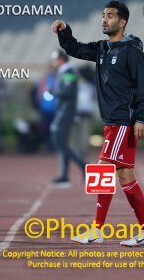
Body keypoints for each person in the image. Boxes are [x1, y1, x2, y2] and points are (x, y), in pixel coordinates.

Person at [52, 0, 144, 246]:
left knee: (102, 170)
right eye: (103, 15)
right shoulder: (102, 49)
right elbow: (75, 48)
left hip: (123, 121)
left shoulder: (132, 52)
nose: (104, 19)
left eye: (110, 16)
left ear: (122, 22)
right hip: (111, 121)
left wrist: (142, 117)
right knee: (126, 176)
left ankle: (97, 230)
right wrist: (64, 30)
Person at [49, 49, 87, 187]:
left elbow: (68, 90)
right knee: (61, 143)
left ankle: (84, 166)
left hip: (66, 111)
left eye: (55, 59)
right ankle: (65, 174)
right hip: (64, 111)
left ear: (61, 59)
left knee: (60, 141)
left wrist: (53, 91)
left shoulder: (69, 71)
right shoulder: (65, 71)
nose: (53, 62)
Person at [71, 64, 96, 159]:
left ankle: (78, 149)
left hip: (80, 110)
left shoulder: (80, 84)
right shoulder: (91, 85)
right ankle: (80, 149)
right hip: (86, 110)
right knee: (83, 131)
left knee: (79, 131)